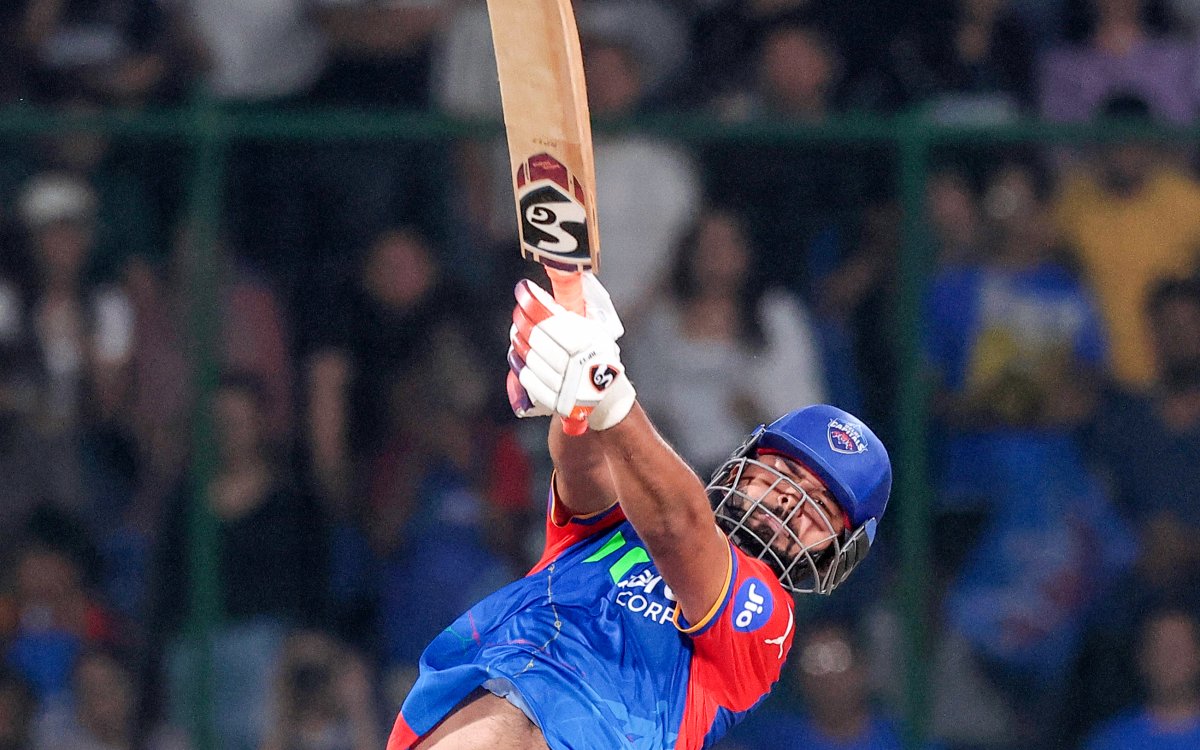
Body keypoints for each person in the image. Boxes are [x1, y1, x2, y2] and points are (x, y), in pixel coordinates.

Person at [386, 273, 892, 749]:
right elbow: (583, 467)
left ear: (835, 554)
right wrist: (577, 377)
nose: (788, 500)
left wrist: (605, 384)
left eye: (820, 507)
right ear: (744, 463)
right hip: (472, 701)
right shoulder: (626, 516)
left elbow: (679, 529)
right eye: (782, 471)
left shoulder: (767, 622)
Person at [1082, 606, 1200, 750]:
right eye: (1160, 649)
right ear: (1142, 657)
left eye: (1178, 649)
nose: (1170, 659)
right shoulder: (1111, 741)